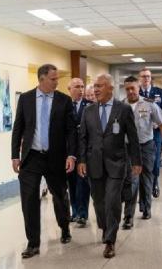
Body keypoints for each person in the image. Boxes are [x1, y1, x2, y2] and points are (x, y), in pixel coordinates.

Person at [11, 64, 76, 258]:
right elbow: (18, 127)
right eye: (53, 79)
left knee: (60, 194)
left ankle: (64, 227)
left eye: (57, 78)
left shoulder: (64, 101)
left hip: (55, 156)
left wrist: (71, 155)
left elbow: (71, 130)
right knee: (29, 199)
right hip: (31, 157)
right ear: (41, 79)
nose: (57, 82)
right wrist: (15, 155)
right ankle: (33, 243)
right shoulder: (26, 99)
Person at [77, 73, 141, 259]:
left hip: (117, 162)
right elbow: (83, 138)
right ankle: (105, 228)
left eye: (100, 86)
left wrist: (136, 161)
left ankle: (110, 241)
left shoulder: (123, 109)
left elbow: (133, 136)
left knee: (112, 200)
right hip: (94, 163)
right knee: (98, 201)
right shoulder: (88, 111)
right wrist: (81, 160)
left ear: (110, 88)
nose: (95, 89)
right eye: (94, 86)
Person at [121, 76, 162, 229]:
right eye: (127, 89)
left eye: (133, 88)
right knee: (131, 180)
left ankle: (146, 208)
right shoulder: (121, 106)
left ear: (138, 88)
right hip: (129, 148)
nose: (130, 91)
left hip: (146, 145)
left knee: (146, 178)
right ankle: (128, 216)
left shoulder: (149, 104)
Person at [138, 68, 162, 198]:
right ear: (139, 78)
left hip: (155, 133)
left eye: (148, 76)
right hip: (140, 133)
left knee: (155, 159)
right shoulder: (136, 93)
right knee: (141, 160)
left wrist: (157, 123)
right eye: (143, 76)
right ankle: (143, 186)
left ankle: (154, 182)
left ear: (151, 78)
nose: (146, 78)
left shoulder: (159, 93)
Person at [67, 77, 92, 226]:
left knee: (83, 184)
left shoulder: (89, 106)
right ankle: (75, 211)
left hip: (84, 150)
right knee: (72, 183)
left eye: (82, 86)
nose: (81, 89)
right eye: (77, 87)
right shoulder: (64, 105)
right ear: (69, 89)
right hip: (69, 151)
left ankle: (83, 214)